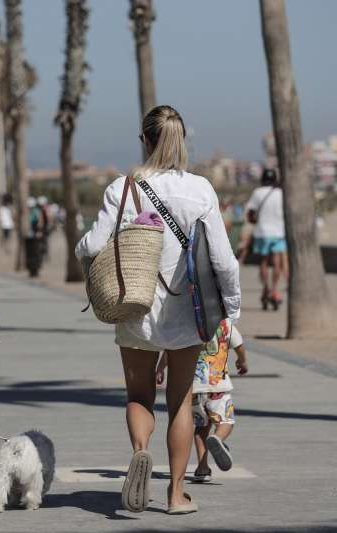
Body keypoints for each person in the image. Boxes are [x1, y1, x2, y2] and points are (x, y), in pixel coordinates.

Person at [76, 105, 240, 514]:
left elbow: (94, 245)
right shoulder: (201, 189)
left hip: (135, 306)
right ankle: (175, 494)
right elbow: (223, 260)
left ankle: (139, 451)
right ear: (180, 140)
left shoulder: (123, 187)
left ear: (144, 141)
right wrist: (231, 308)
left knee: (139, 395)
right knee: (181, 401)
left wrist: (83, 260)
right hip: (188, 313)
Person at [157, 318, 248, 483]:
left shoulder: (187, 323)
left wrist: (160, 368)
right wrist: (242, 361)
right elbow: (239, 345)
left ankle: (202, 468)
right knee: (226, 422)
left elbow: (171, 350)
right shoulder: (225, 324)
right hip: (217, 386)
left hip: (194, 387)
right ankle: (218, 438)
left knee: (201, 427)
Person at [245, 168, 286, 311]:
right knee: (276, 262)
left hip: (262, 231)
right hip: (279, 232)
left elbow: (250, 213)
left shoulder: (258, 193)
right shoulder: (281, 193)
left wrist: (254, 221)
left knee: (263, 261)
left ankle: (266, 288)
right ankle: (274, 290)